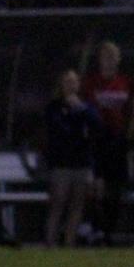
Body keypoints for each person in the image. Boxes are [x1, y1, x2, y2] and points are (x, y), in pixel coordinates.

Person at [81, 41, 134, 245]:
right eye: (105, 55)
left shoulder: (126, 82)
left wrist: (128, 136)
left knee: (115, 187)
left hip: (117, 140)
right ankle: (95, 228)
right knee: (96, 186)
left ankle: (109, 230)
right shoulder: (90, 83)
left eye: (113, 55)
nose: (109, 59)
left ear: (118, 59)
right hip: (97, 140)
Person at [40, 68, 100, 248]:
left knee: (77, 205)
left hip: (82, 163)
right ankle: (50, 242)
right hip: (62, 164)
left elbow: (96, 125)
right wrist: (77, 119)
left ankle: (69, 243)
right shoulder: (54, 107)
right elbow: (60, 131)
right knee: (58, 203)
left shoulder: (86, 106)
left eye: (74, 81)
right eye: (67, 82)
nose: (71, 85)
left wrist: (80, 110)